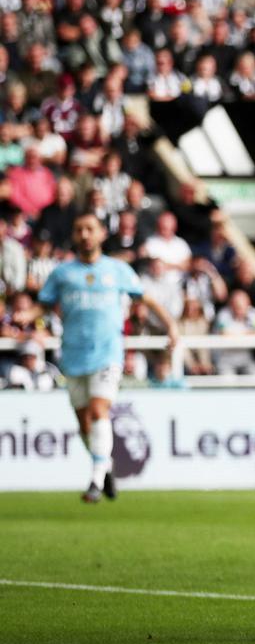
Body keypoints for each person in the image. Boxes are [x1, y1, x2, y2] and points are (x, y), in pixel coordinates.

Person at [37, 213, 179, 503]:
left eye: (90, 228)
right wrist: (23, 321)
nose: (85, 234)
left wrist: (171, 326)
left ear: (101, 233)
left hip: (107, 354)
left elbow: (146, 299)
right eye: (79, 229)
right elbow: (41, 306)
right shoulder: (62, 273)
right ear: (75, 236)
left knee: (100, 410)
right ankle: (105, 467)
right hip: (73, 355)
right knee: (84, 425)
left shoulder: (118, 270)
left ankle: (94, 481)